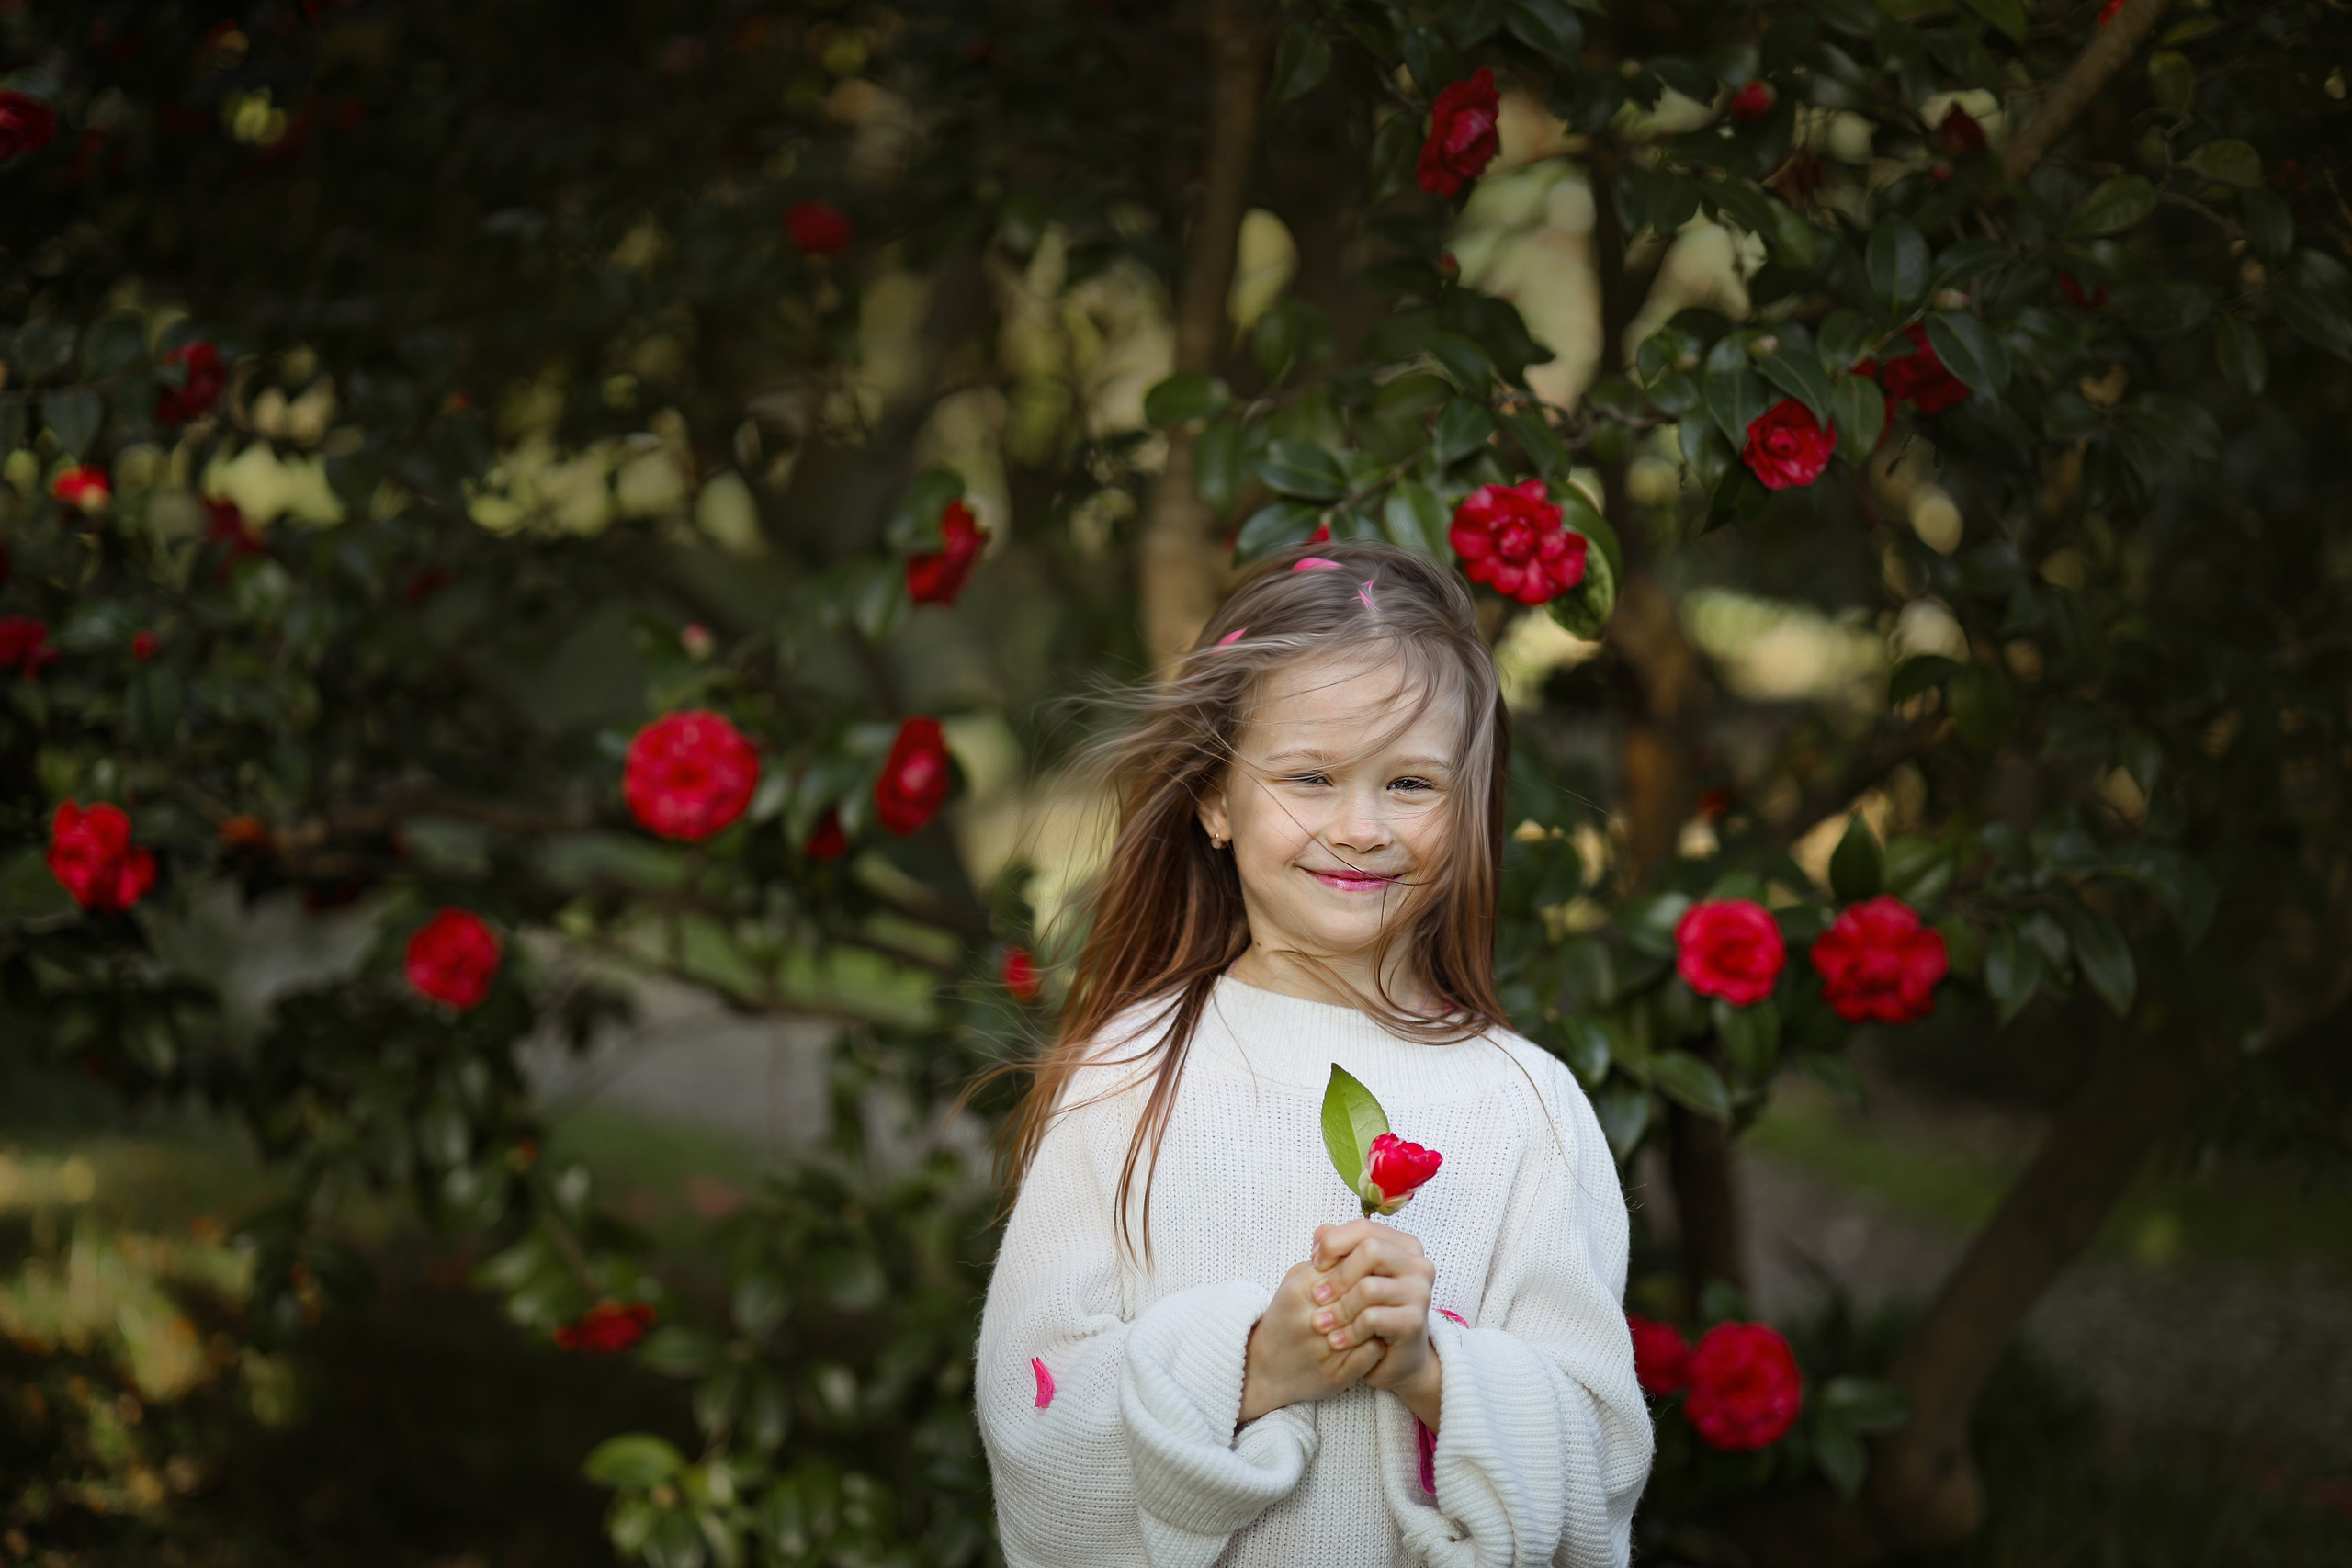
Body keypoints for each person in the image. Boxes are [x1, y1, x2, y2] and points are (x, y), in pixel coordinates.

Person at [975, 540, 1652, 1567]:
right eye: (1311, 777)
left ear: (1469, 808)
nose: (1360, 826)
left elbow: (1597, 1472)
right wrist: (1252, 1366)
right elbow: (1035, 1437)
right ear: (1215, 799)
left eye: (1411, 782)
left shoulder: (1527, 1106)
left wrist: (1431, 1370)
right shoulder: (1127, 1075)